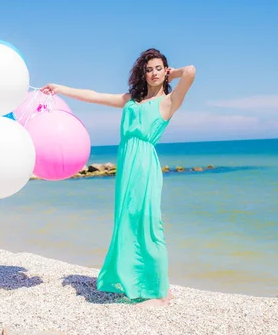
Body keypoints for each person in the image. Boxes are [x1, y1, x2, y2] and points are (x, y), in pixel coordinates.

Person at [41, 48, 196, 308]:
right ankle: (137, 283)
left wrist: (173, 73)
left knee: (149, 225)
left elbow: (190, 72)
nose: (154, 73)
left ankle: (160, 293)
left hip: (145, 165)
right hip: (126, 165)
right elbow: (94, 96)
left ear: (165, 71)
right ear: (142, 73)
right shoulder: (131, 101)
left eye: (159, 68)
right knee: (127, 223)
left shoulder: (169, 101)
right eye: (149, 69)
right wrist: (60, 88)